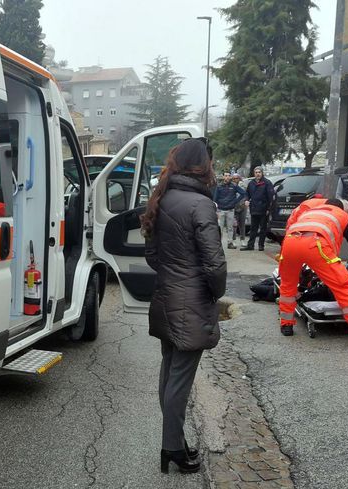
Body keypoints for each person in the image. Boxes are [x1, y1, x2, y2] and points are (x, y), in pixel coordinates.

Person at [141, 137, 226, 475]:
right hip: (191, 301)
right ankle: (172, 448)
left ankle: (173, 441)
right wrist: (214, 293)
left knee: (169, 372)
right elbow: (215, 264)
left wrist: (172, 275)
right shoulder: (200, 204)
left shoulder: (162, 197)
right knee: (179, 379)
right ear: (202, 166)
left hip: (166, 296)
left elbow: (150, 254)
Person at [277, 198, 348, 348]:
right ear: (341, 208)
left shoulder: (311, 212)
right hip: (315, 245)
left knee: (288, 285)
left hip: (290, 242)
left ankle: (286, 325)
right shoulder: (341, 215)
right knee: (343, 287)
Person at [241, 166, 275, 251]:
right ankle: (250, 245)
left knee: (263, 229)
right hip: (254, 209)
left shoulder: (267, 183)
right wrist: (246, 200)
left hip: (264, 209)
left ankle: (261, 245)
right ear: (254, 173)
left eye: (259, 172)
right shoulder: (251, 183)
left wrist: (268, 209)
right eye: (256, 172)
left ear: (262, 173)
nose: (258, 174)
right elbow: (247, 193)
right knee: (253, 228)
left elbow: (271, 197)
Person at [214, 172, 247, 249]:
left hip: (230, 210)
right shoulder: (219, 186)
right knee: (220, 228)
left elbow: (243, 193)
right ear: (223, 177)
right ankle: (218, 244)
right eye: (226, 176)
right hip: (220, 210)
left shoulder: (234, 186)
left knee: (230, 228)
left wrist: (235, 201)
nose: (227, 177)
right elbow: (215, 198)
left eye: (229, 176)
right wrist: (215, 209)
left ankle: (230, 243)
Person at [232, 173, 247, 243]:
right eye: (234, 178)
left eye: (236, 178)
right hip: (234, 207)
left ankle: (242, 239)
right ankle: (233, 240)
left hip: (243, 207)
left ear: (239, 178)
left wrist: (245, 202)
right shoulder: (231, 186)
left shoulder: (243, 185)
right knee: (234, 225)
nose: (235, 180)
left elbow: (246, 195)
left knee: (242, 224)